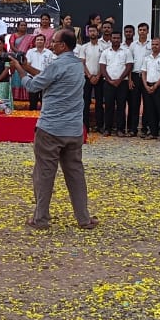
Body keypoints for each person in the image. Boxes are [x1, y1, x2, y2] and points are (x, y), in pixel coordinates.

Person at [9, 28, 96, 231]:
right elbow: (47, 78)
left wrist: (19, 70)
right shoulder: (77, 65)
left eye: (54, 41)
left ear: (63, 45)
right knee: (75, 174)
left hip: (51, 129)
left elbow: (33, 86)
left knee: (44, 174)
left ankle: (41, 218)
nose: (50, 44)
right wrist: (28, 67)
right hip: (73, 130)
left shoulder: (56, 64)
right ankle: (83, 218)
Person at [98, 32, 132, 136]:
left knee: (121, 106)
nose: (116, 40)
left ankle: (120, 129)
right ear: (111, 39)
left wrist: (119, 79)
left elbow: (129, 66)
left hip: (122, 83)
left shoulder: (126, 51)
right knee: (108, 106)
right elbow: (102, 67)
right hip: (108, 83)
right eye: (114, 38)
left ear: (121, 39)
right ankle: (107, 128)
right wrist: (109, 80)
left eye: (118, 38)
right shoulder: (105, 52)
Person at [75, 26, 106, 132]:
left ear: (98, 32)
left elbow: (104, 63)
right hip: (87, 77)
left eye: (94, 31)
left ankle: (100, 126)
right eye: (90, 31)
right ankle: (85, 126)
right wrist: (89, 75)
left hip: (100, 77)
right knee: (85, 102)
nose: (92, 33)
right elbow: (82, 63)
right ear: (88, 33)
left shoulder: (103, 47)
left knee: (99, 103)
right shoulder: (84, 47)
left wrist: (97, 76)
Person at [139, 37, 160, 139]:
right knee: (150, 110)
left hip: (159, 86)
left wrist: (155, 86)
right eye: (153, 44)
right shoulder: (147, 58)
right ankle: (153, 132)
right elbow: (144, 73)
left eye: (156, 44)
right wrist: (146, 86)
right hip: (148, 85)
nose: (154, 46)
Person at [24, 34, 53, 111]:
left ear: (45, 42)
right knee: (33, 102)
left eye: (41, 40)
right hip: (33, 80)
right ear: (35, 42)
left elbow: (51, 67)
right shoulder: (30, 52)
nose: (39, 41)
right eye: (38, 40)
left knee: (45, 103)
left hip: (45, 80)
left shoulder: (49, 53)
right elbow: (27, 65)